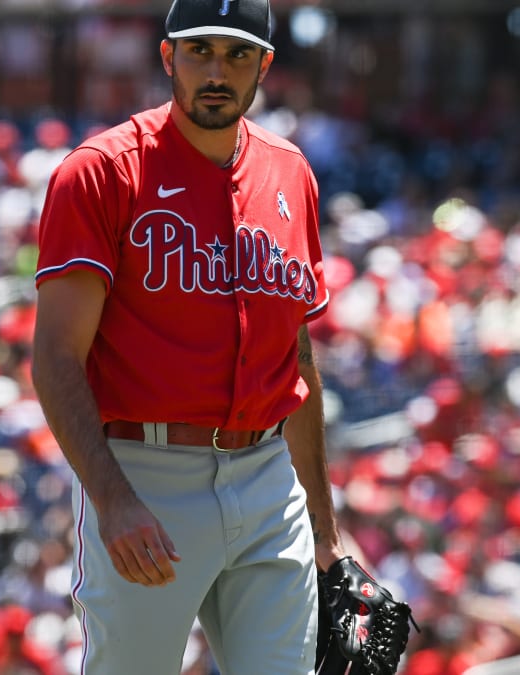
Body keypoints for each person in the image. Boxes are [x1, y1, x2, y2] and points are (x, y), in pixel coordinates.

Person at [30, 0, 347, 673]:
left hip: (267, 477)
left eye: (236, 54)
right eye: (200, 50)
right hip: (148, 474)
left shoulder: (291, 173)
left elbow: (297, 359)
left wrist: (325, 534)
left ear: (263, 65)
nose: (217, 70)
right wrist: (112, 500)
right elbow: (57, 357)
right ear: (168, 56)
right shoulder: (100, 171)